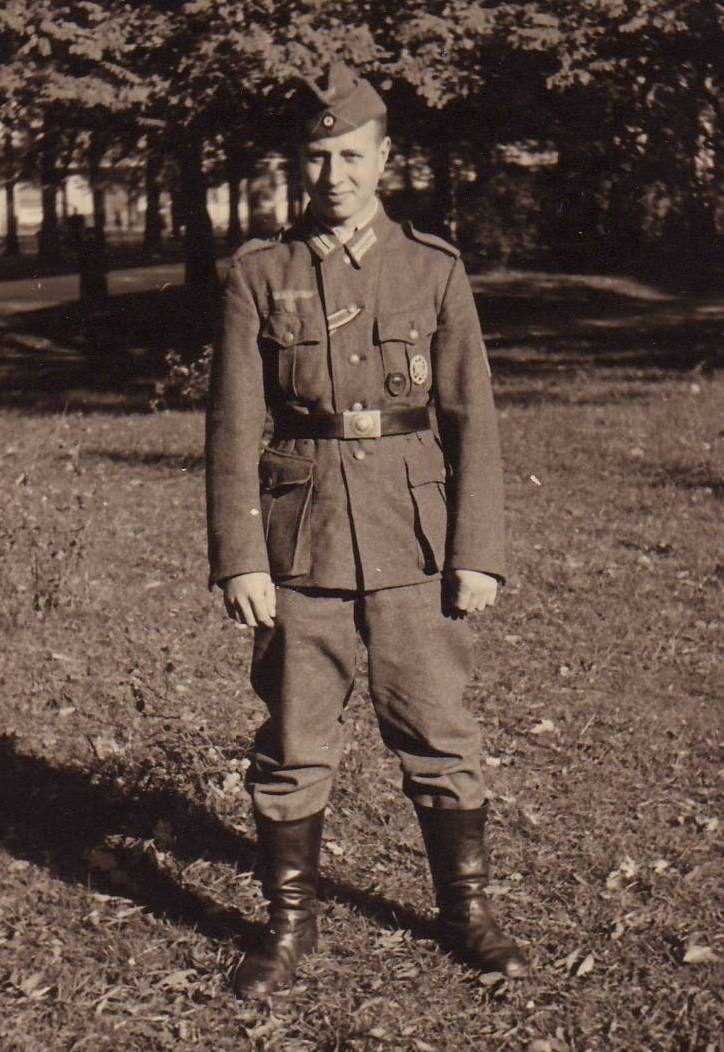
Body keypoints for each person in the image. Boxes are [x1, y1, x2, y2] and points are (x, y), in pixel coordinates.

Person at [205, 62, 528, 999]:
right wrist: (239, 559)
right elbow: (231, 428)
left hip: (412, 544)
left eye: (352, 155)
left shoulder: (432, 267)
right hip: (299, 545)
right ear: (298, 164)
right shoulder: (259, 274)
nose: (334, 174)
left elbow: (473, 419)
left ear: (383, 158)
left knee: (439, 730)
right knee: (296, 740)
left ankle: (466, 913)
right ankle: (286, 928)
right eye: (318, 156)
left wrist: (478, 551)